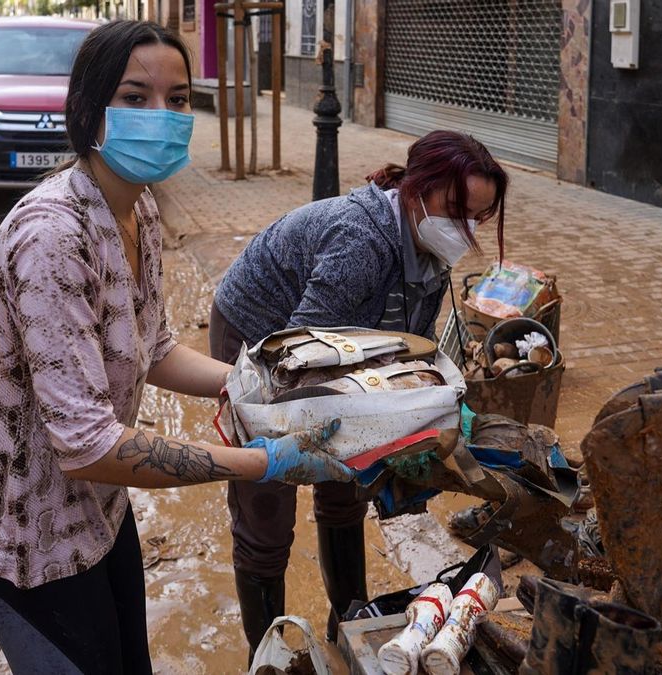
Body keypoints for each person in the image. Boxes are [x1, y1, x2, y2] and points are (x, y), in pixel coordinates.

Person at [0, 21, 352, 674]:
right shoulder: (52, 239)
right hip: (25, 541)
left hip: (101, 516)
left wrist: (256, 382)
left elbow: (155, 348)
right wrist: (261, 461)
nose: (160, 116)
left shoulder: (138, 211)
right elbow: (87, 445)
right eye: (134, 97)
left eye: (177, 99)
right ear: (86, 111)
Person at [209, 130, 510, 653]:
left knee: (348, 480)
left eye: (477, 218)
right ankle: (270, 654)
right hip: (261, 335)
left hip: (336, 343)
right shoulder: (361, 243)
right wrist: (315, 440)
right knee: (269, 495)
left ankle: (348, 622)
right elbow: (297, 366)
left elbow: (405, 350)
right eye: (457, 210)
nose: (465, 230)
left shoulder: (431, 249)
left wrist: (419, 426)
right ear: (419, 188)